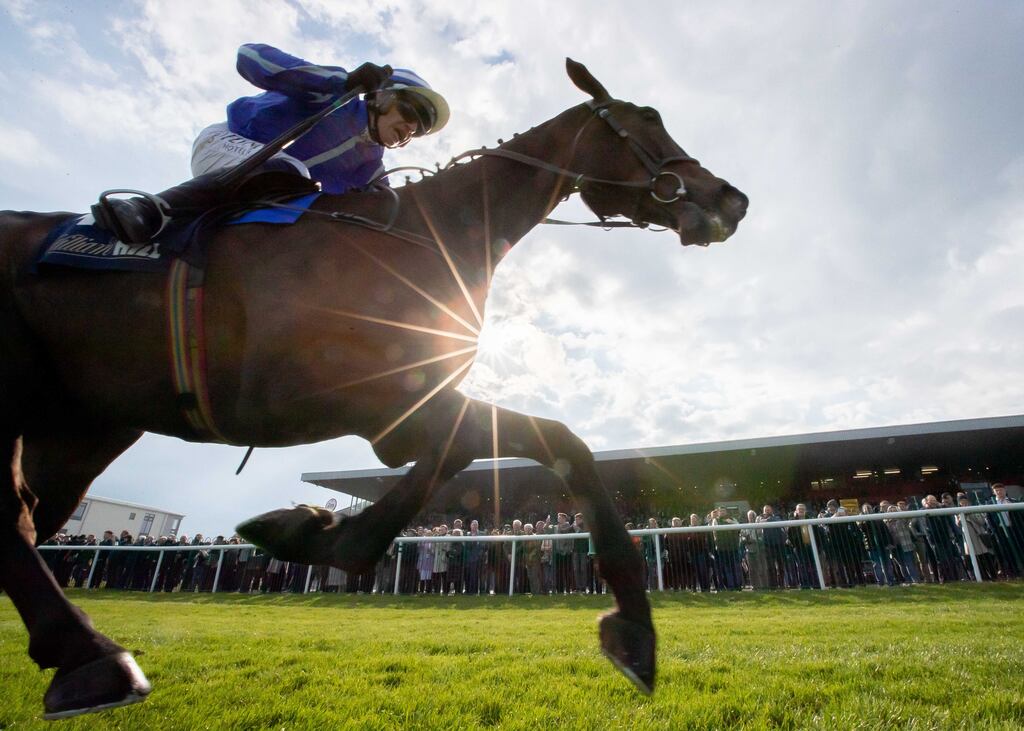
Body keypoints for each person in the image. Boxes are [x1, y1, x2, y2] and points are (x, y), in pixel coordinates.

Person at [92, 42, 450, 244]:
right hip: (228, 142)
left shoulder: (369, 165)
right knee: (290, 171)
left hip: (267, 187)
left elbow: (383, 212)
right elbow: (250, 57)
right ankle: (149, 209)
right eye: (409, 111)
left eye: (418, 129)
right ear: (381, 96)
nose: (410, 128)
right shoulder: (331, 95)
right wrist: (337, 81)